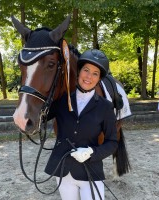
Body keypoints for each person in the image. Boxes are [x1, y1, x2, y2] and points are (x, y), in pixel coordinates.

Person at [45, 49, 118, 200]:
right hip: (63, 170)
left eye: (95, 73)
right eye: (86, 70)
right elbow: (39, 117)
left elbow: (112, 143)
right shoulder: (62, 101)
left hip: (90, 170)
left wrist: (91, 152)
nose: (89, 76)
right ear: (79, 72)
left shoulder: (105, 107)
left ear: (99, 79)